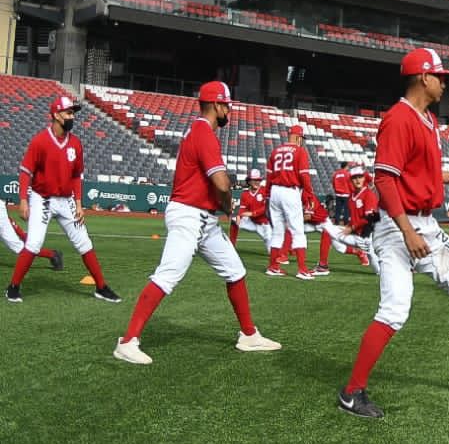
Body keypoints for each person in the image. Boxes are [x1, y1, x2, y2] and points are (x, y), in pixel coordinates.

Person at [337, 48, 449, 419]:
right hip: (399, 228)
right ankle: (351, 392)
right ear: (423, 78)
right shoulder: (399, 118)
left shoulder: (427, 119)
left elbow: (416, 171)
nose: (445, 83)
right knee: (395, 309)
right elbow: (385, 178)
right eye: (440, 77)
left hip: (425, 223)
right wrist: (407, 231)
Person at [113, 82, 280, 363]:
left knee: (235, 271)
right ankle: (128, 341)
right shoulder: (204, 132)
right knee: (168, 275)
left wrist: (224, 205)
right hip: (188, 215)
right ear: (216, 105)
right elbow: (221, 182)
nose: (229, 110)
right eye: (226, 104)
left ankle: (249, 335)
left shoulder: (202, 131)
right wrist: (230, 194)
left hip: (204, 219)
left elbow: (217, 186)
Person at [8, 94, 117, 303]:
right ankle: (13, 287)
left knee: (84, 243)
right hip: (43, 198)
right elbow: (25, 172)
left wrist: (79, 203)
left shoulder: (75, 143)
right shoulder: (40, 141)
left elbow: (77, 176)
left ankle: (101, 287)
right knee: (34, 243)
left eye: (73, 113)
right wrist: (23, 200)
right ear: (56, 115)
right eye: (68, 112)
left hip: (67, 200)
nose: (72, 116)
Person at [265, 125, 315, 279]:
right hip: (290, 191)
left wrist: (267, 195)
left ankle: (273, 266)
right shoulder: (300, 151)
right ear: (298, 137)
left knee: (278, 231)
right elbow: (304, 176)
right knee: (298, 231)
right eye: (302, 138)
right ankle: (302, 269)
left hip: (274, 191)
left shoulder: (275, 151)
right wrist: (309, 195)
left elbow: (268, 176)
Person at [229, 168, 272, 251]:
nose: (257, 182)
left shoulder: (265, 190)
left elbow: (267, 207)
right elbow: (241, 209)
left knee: (272, 250)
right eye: (254, 180)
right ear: (249, 181)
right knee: (234, 218)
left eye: (258, 180)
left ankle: (288, 250)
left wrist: (253, 213)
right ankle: (231, 245)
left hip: (265, 224)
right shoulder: (245, 194)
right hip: (251, 222)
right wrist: (238, 215)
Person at [331, 161, 353, 226]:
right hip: (346, 194)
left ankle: (336, 223)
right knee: (346, 209)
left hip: (338, 194)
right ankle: (345, 223)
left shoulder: (336, 173)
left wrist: (336, 190)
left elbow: (333, 183)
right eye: (348, 166)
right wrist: (353, 191)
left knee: (338, 209)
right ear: (346, 166)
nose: (349, 167)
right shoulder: (347, 174)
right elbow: (350, 184)